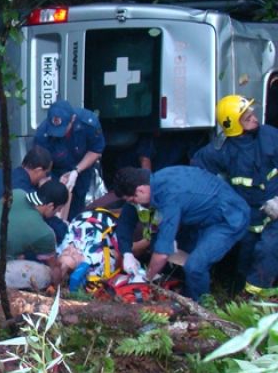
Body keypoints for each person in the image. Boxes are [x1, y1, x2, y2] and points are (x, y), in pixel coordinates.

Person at [113, 166, 249, 301]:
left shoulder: (169, 197)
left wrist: (146, 278)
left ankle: (202, 306)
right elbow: (126, 221)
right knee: (160, 245)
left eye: (133, 200)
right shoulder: (152, 182)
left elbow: (162, 254)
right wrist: (127, 253)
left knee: (195, 266)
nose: (134, 204)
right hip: (201, 216)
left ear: (141, 190)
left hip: (228, 218)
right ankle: (184, 291)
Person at [191, 95, 278, 295]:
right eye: (247, 118)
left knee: (269, 249)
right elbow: (197, 169)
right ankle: (238, 298)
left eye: (252, 114)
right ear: (234, 126)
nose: (254, 118)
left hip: (275, 209)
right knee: (245, 258)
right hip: (249, 216)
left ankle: (255, 299)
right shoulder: (222, 150)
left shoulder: (270, 136)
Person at [0, 180, 69, 289]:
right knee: (46, 274)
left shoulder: (16, 193)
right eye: (58, 209)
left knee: (19, 255)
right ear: (50, 206)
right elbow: (54, 269)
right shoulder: (45, 232)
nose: (58, 213)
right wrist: (59, 281)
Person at [34, 99, 106, 220]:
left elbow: (96, 151)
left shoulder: (88, 123)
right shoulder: (43, 134)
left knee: (78, 209)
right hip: (55, 172)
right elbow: (41, 167)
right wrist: (52, 187)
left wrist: (76, 171)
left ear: (72, 119)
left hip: (81, 169)